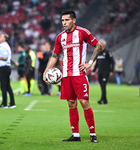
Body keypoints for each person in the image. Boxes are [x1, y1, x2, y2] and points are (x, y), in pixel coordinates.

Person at [43, 10, 105, 143]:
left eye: (67, 20)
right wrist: (46, 71)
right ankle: (75, 135)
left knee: (84, 102)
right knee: (71, 103)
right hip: (65, 75)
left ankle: (92, 134)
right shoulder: (60, 37)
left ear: (74, 20)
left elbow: (98, 46)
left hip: (79, 74)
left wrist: (90, 62)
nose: (64, 23)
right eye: (62, 20)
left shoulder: (83, 32)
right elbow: (55, 56)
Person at [0, 33, 16, 108]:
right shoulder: (4, 46)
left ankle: (4, 103)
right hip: (6, 67)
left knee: (3, 86)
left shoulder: (3, 46)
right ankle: (12, 103)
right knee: (7, 86)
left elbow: (5, 58)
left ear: (4, 39)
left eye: (1, 36)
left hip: (4, 67)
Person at [92, 39, 114, 104]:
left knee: (103, 85)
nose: (99, 44)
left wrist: (111, 71)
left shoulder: (107, 52)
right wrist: (93, 71)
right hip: (100, 72)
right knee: (101, 86)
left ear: (104, 45)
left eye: (100, 43)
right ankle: (105, 100)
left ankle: (102, 99)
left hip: (106, 72)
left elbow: (112, 62)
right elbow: (97, 63)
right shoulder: (98, 53)